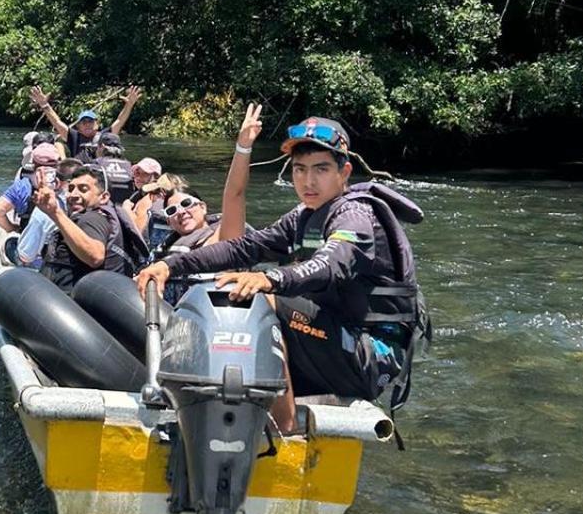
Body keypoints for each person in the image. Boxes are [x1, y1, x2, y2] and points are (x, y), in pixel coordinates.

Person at [135, 110, 424, 434]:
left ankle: (283, 428)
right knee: (234, 293)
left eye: (321, 169)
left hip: (370, 355)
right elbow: (244, 248)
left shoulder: (355, 215)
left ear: (344, 172)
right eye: (300, 170)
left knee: (266, 300)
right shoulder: (303, 217)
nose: (308, 181)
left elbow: (332, 263)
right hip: (328, 338)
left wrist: (270, 278)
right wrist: (168, 266)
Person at [37, 165, 131, 291]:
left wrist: (55, 213)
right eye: (70, 189)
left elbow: (95, 256)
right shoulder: (106, 217)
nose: (73, 195)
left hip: (73, 304)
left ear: (103, 197)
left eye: (83, 189)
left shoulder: (93, 218)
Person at [28, 84, 142, 158]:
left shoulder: (105, 135)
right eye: (84, 122)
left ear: (97, 123)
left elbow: (120, 120)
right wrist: (44, 104)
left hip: (101, 172)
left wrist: (129, 104)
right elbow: (57, 122)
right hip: (80, 173)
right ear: (78, 126)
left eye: (90, 121)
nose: (87, 124)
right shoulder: (73, 137)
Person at [16, 157, 81, 267]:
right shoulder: (94, 205)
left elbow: (26, 256)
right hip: (80, 266)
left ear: (57, 182)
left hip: (52, 269)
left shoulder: (45, 210)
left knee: (13, 247)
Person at [0, 143, 62, 234]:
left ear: (33, 163)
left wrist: (11, 228)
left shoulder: (22, 186)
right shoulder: (65, 182)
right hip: (60, 236)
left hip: (29, 236)